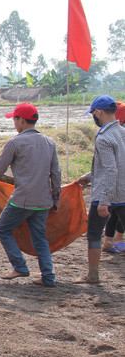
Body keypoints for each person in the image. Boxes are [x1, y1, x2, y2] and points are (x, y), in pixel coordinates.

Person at [0, 103, 61, 287]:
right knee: (40, 238)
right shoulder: (50, 143)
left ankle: (20, 266)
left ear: (21, 120)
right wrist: (56, 198)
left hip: (22, 199)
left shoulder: (15, 142)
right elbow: (56, 174)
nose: (14, 123)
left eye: (14, 119)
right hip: (44, 200)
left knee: (3, 229)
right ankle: (48, 277)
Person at [74, 95, 125, 284]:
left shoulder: (104, 137)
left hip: (107, 195)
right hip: (123, 192)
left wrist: (104, 200)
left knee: (94, 234)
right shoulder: (122, 132)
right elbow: (114, 165)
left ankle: (92, 275)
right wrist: (89, 177)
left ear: (98, 112)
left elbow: (111, 169)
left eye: (93, 114)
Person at [101, 100, 125, 251]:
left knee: (115, 211)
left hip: (117, 183)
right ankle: (112, 241)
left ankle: (111, 241)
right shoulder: (117, 134)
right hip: (118, 183)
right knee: (116, 210)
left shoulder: (111, 135)